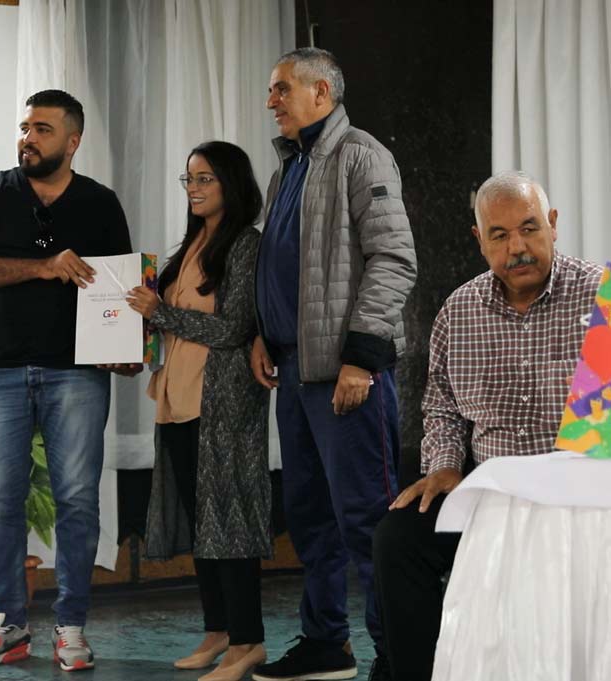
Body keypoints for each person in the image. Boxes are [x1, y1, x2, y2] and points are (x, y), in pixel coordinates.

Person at [372, 171, 604, 681]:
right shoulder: (458, 311)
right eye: (500, 235)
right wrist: (444, 466)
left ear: (553, 224)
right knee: (398, 538)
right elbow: (442, 408)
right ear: (479, 240)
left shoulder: (601, 298)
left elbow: (600, 434)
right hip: (489, 493)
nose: (517, 247)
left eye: (529, 228)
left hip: (577, 495)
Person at [0, 89, 138, 671]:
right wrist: (43, 267)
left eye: (43, 129)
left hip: (76, 374)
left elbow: (119, 288)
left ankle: (71, 627)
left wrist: (126, 348)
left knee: (77, 500)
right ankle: (7, 623)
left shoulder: (99, 203)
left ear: (73, 141)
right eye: (25, 127)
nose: (28, 138)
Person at [249, 48, 417, 681]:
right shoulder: (289, 167)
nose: (272, 101)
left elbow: (393, 259)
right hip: (294, 373)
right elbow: (284, 266)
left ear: (321, 92)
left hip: (348, 376)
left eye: (281, 89)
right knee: (311, 520)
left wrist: (361, 359)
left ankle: (396, 657)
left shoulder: (361, 155)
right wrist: (264, 334)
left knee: (368, 521)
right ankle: (326, 645)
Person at [126, 141, 271, 681]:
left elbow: (234, 328)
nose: (194, 188)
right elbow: (166, 321)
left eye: (205, 178)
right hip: (178, 400)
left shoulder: (246, 244)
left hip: (222, 404)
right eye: (189, 178)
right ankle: (219, 630)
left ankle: (248, 642)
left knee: (231, 522)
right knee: (203, 523)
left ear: (231, 183)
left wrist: (162, 313)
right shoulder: (192, 244)